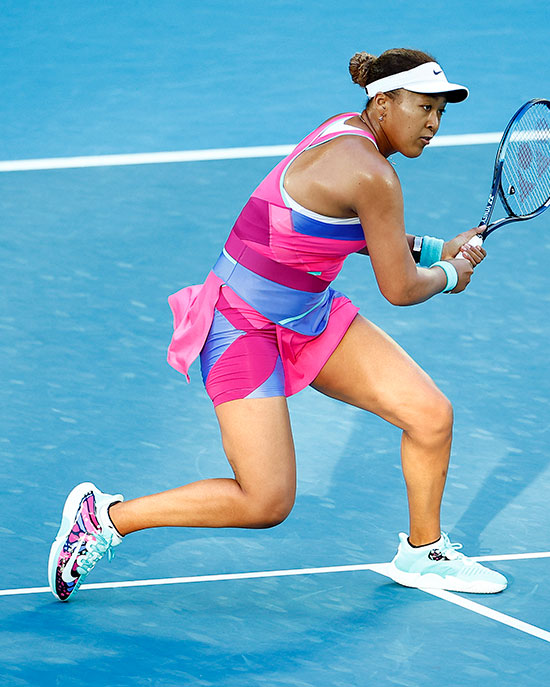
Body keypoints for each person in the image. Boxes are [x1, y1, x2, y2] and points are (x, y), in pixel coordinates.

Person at [48, 48, 507, 602]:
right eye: (423, 107)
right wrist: (451, 272)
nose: (433, 124)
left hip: (307, 313)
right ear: (383, 103)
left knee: (430, 416)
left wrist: (435, 247)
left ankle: (424, 552)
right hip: (240, 326)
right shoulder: (373, 173)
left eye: (441, 111)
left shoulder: (344, 132)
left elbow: (339, 231)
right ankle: (106, 518)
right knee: (265, 501)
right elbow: (402, 288)